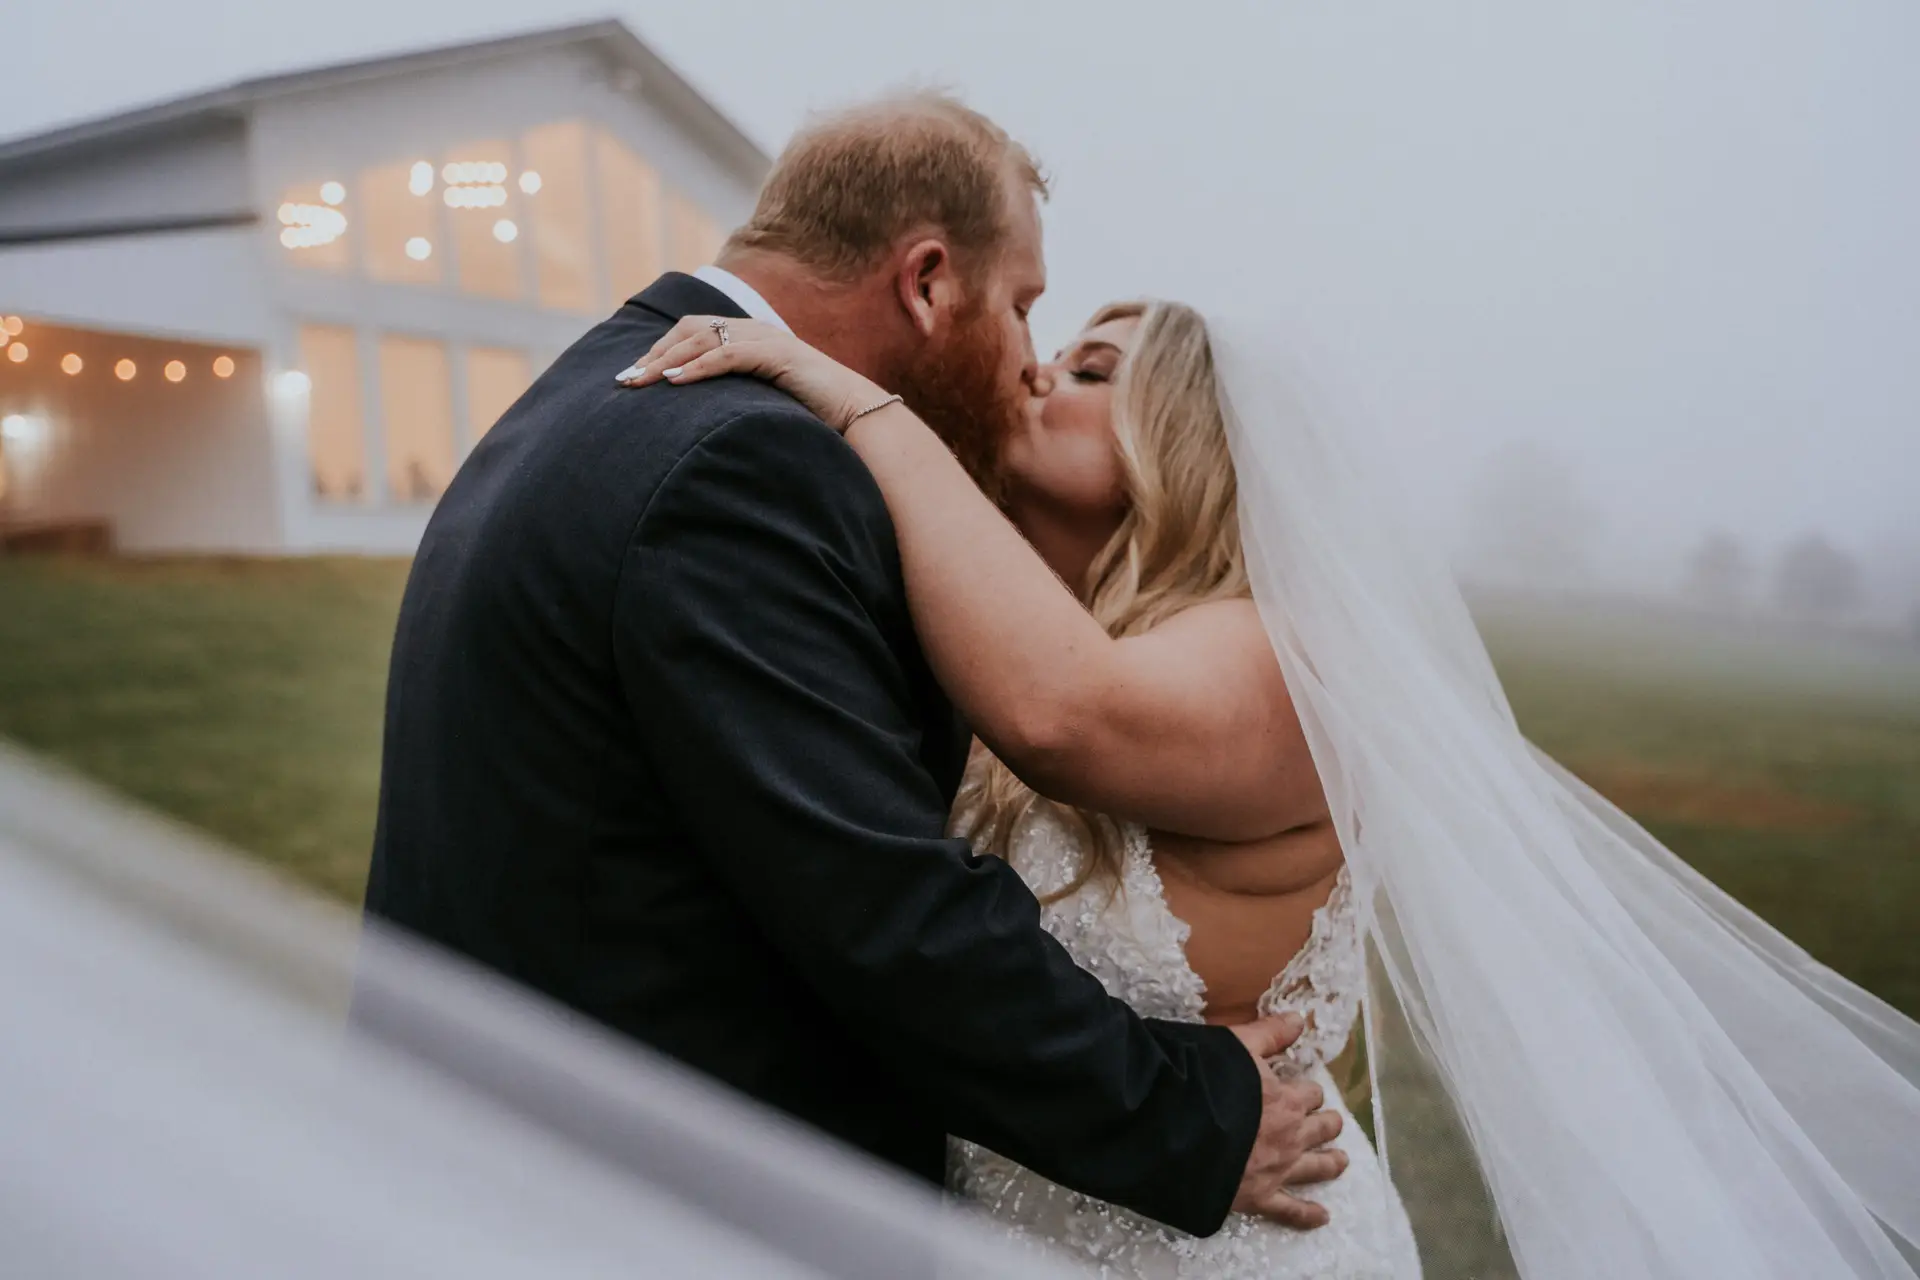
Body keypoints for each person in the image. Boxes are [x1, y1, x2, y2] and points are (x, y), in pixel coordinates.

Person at [622, 286, 1920, 1277]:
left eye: (1088, 369)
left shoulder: (1280, 663)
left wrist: (848, 394)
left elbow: (1069, 711)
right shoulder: (1030, 639)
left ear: (1185, 438)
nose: (1034, 375)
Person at [360, 92, 1345, 1242]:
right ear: (928, 281)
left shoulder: (602, 395)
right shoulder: (743, 460)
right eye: (1025, 309)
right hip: (652, 1200)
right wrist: (1190, 1113)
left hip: (523, 1158)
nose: (1027, 362)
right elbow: (879, 902)